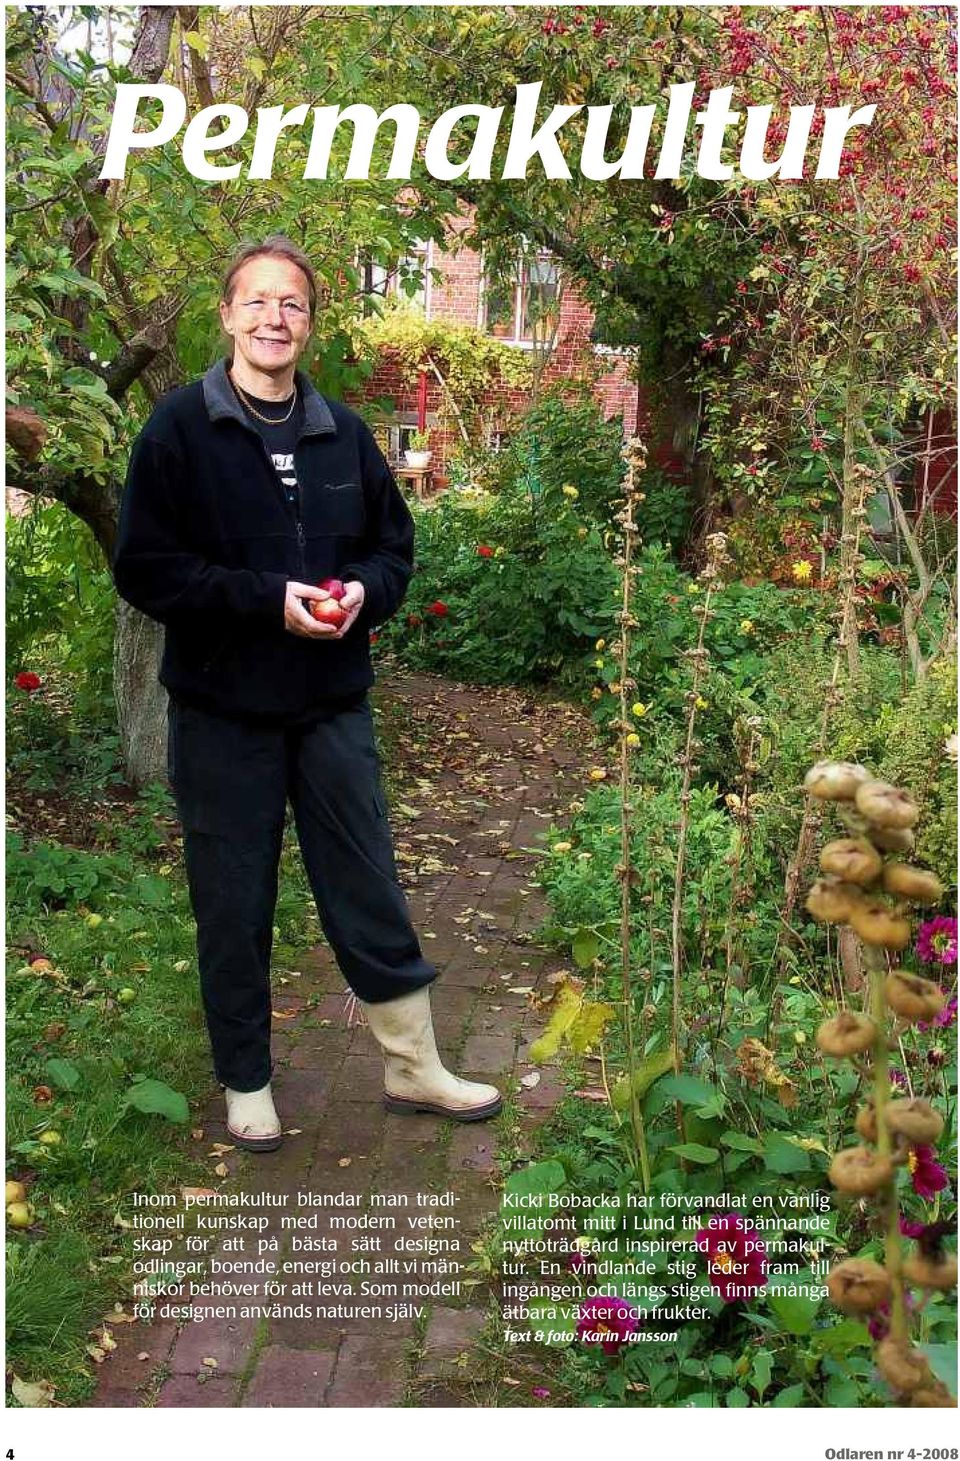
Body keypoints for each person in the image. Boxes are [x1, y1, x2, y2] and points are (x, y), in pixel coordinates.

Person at [112, 235, 501, 1151]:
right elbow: (147, 568)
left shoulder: (344, 435)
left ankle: (414, 1065)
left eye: (291, 304)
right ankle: (247, 1079)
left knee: (367, 884)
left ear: (309, 324)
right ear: (227, 316)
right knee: (234, 897)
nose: (273, 318)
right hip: (221, 711)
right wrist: (263, 604)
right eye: (256, 301)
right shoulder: (177, 429)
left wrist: (365, 590)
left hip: (330, 704)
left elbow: (392, 549)